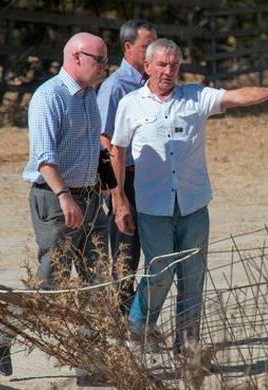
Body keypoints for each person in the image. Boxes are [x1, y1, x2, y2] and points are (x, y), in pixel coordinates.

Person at [110, 38, 268, 354]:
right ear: (147, 66)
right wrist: (118, 201)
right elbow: (112, 152)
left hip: (193, 205)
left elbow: (237, 96)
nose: (168, 71)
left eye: (174, 65)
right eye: (161, 64)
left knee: (193, 278)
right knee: (159, 275)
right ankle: (136, 334)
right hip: (153, 208)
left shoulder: (195, 96)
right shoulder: (129, 103)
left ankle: (187, 348)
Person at [0, 32, 109, 376]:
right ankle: (1, 330)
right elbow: (44, 157)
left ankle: (91, 362)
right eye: (99, 60)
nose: (104, 67)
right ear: (76, 56)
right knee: (51, 279)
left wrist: (107, 188)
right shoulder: (49, 97)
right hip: (57, 199)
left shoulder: (89, 96)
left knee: (98, 280)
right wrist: (64, 196)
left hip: (90, 197)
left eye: (105, 60)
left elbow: (95, 149)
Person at [96, 20, 157, 312]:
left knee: (155, 251)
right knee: (125, 255)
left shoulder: (152, 86)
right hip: (126, 179)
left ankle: (139, 317)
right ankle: (122, 317)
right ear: (128, 47)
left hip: (151, 179)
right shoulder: (115, 88)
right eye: (147, 47)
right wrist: (116, 193)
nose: (152, 53)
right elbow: (104, 142)